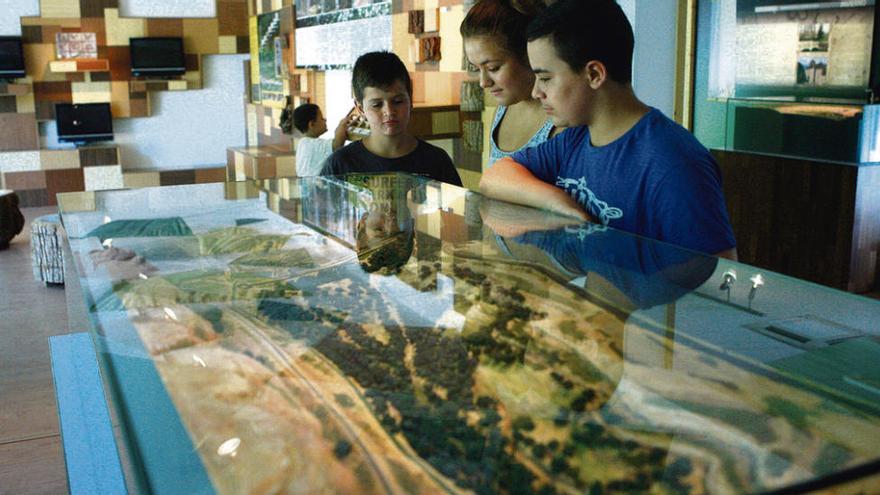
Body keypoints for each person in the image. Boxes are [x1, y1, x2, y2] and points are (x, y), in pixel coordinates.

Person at [479, 0, 737, 259]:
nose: (536, 92)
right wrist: (564, 206)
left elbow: (717, 277)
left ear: (594, 74)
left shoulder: (673, 162)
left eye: (545, 78)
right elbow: (494, 178)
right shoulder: (575, 140)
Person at [321, 51, 463, 187]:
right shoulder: (340, 164)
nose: (389, 112)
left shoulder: (437, 160)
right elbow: (321, 210)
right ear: (361, 109)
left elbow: (457, 210)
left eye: (398, 101)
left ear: (410, 99)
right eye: (377, 105)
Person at [460, 0, 560, 167]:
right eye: (476, 68)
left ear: (529, 55)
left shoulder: (563, 118)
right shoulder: (501, 112)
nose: (484, 82)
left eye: (493, 67)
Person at [293, 103, 350, 177]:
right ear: (312, 124)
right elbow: (337, 144)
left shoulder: (302, 143)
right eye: (321, 118)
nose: (325, 120)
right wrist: (342, 125)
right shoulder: (309, 145)